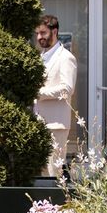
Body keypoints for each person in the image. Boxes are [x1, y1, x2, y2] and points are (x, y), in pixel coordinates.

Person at [34, 15, 77, 176]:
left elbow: (67, 89)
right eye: (37, 33)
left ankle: (57, 202)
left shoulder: (66, 57)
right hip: (39, 123)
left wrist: (38, 93)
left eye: (43, 33)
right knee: (41, 173)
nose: (39, 37)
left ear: (55, 31)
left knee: (54, 173)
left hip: (56, 125)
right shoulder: (41, 57)